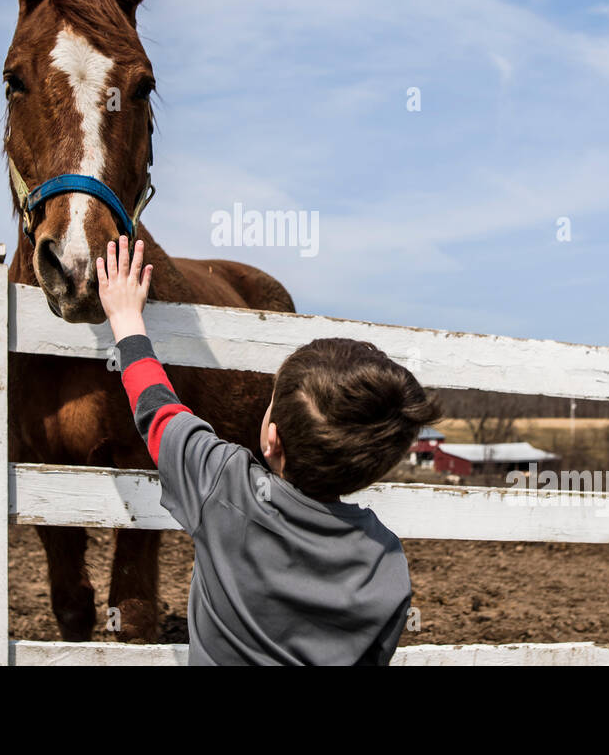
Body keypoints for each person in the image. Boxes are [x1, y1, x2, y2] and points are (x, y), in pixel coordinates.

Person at [96, 235, 437, 665]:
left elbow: (157, 409)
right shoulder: (386, 562)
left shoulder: (225, 488)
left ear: (271, 437)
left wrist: (127, 321)